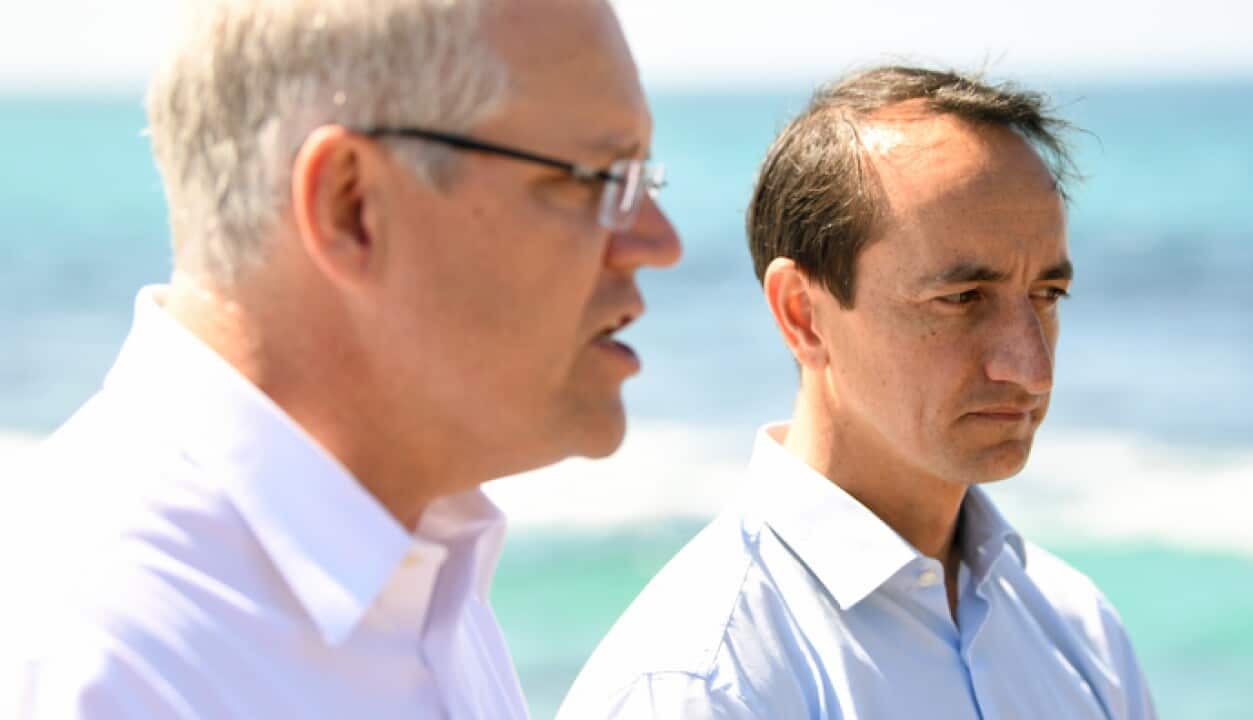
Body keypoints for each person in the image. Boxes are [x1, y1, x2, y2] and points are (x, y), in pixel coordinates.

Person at [6, 0, 679, 717]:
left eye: (643, 183)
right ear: (350, 205)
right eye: (596, 180)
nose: (658, 242)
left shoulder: (419, 574)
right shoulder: (96, 662)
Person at [557, 66, 1157, 719]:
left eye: (1047, 295)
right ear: (803, 316)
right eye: (962, 299)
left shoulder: (1081, 629)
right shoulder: (699, 686)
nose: (1032, 368)